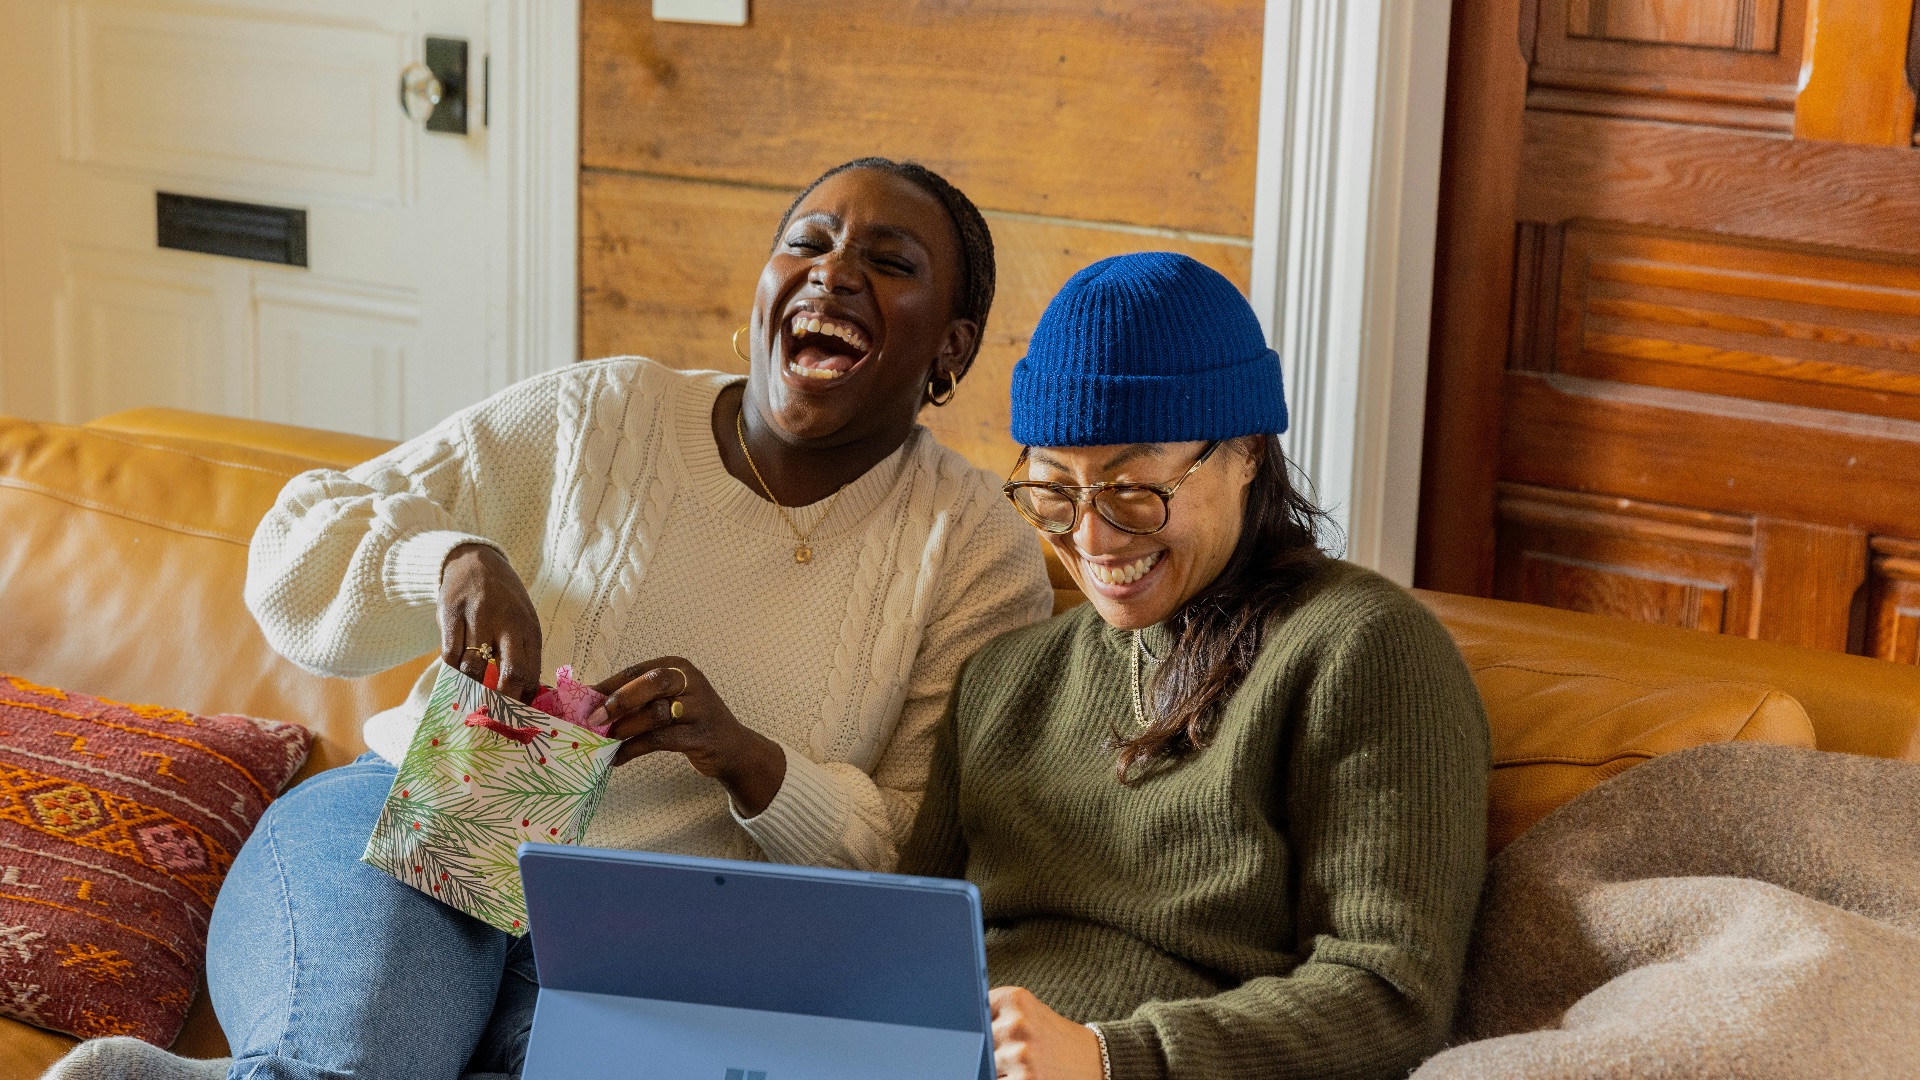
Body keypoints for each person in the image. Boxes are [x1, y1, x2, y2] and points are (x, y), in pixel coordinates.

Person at [45, 159, 1053, 1080]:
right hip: (430, 822)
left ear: (951, 349)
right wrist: (447, 561)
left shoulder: (972, 548)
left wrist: (751, 760)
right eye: (809, 242)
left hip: (659, 941)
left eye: (889, 261)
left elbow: (919, 854)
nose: (833, 274)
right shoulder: (605, 414)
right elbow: (296, 542)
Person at [899, 252, 1490, 1080]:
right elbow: (902, 957)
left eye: (1133, 488)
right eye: (1054, 492)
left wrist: (1115, 1059)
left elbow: (1388, 992)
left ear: (1246, 449)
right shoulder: (1000, 681)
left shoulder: (1360, 650)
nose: (1093, 540)